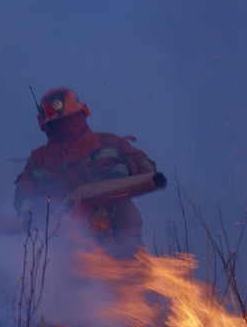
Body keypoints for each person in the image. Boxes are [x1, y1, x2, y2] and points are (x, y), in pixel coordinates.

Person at [14, 88, 157, 257]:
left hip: (123, 242)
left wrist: (123, 169)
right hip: (70, 250)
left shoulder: (109, 144)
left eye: (69, 121)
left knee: (138, 280)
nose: (65, 128)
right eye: (58, 124)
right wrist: (43, 218)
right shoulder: (40, 161)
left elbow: (148, 167)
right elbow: (24, 200)